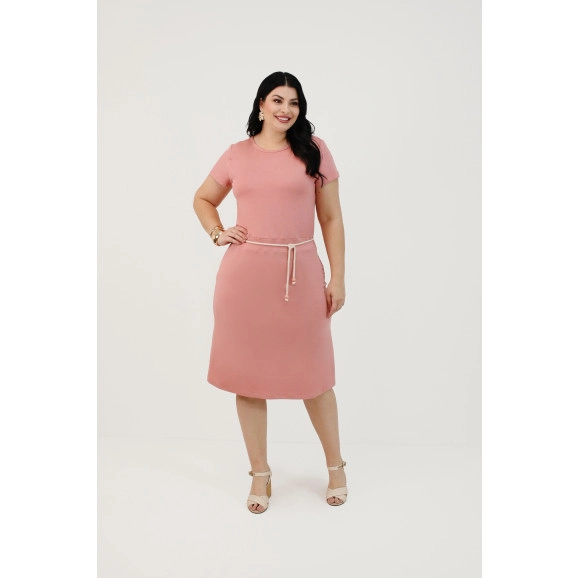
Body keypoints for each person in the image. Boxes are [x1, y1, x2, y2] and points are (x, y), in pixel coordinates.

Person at [193, 71, 347, 514]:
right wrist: (218, 232)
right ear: (261, 104)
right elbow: (203, 198)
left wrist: (337, 278)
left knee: (315, 378)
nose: (286, 109)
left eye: (294, 103)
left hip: (301, 275)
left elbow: (331, 218)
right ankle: (260, 474)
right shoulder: (236, 154)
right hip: (244, 281)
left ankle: (335, 466)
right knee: (248, 377)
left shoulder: (314, 151)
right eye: (277, 100)